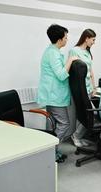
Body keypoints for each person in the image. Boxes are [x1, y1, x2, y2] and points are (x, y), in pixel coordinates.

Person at [37, 24, 78, 162]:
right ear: (60, 39)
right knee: (65, 124)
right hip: (54, 96)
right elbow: (61, 75)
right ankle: (50, 150)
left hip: (53, 94)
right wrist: (71, 60)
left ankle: (52, 152)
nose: (67, 40)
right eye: (66, 37)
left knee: (55, 124)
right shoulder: (53, 54)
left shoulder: (52, 51)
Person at [68, 29, 97, 148]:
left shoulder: (88, 52)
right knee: (85, 112)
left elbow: (90, 71)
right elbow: (72, 70)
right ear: (86, 38)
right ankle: (76, 136)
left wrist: (94, 87)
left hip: (88, 88)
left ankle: (78, 136)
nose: (94, 42)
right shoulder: (74, 51)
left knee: (86, 113)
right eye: (93, 39)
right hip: (79, 88)